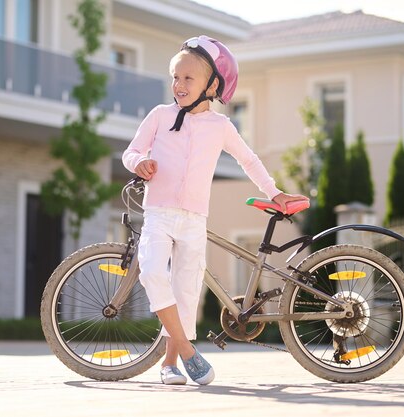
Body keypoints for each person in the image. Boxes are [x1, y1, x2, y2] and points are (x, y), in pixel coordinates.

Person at [122, 35, 308, 386]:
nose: (179, 85)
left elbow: (249, 161)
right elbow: (131, 151)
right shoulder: (160, 116)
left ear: (213, 85)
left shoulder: (221, 126)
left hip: (194, 218)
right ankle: (190, 354)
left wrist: (275, 191)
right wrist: (140, 162)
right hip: (159, 212)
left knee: (187, 290)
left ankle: (169, 364)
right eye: (175, 77)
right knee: (152, 272)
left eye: (188, 78)